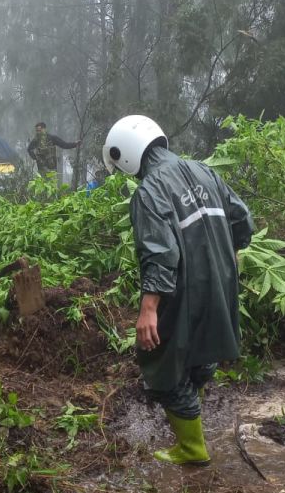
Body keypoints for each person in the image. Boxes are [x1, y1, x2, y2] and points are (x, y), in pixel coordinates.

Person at [104, 114, 253, 465]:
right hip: (220, 281)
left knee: (160, 362)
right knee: (203, 349)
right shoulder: (204, 171)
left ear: (124, 154)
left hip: (182, 289)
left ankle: (191, 448)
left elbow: (160, 252)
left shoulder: (150, 189)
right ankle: (192, 416)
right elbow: (242, 218)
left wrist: (149, 308)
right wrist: (227, 260)